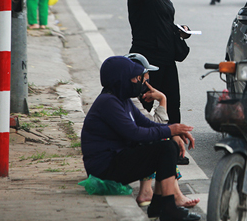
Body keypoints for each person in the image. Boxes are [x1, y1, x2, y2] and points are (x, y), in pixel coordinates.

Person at [80, 56, 199, 221]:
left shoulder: (123, 100)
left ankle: (159, 206)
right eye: (136, 78)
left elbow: (147, 124)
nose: (139, 82)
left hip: (117, 160)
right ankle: (168, 208)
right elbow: (134, 133)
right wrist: (170, 130)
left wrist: (173, 131)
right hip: (105, 169)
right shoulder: (108, 102)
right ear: (121, 79)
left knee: (167, 145)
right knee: (164, 148)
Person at [125, 53, 200, 211]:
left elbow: (150, 125)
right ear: (136, 77)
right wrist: (163, 100)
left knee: (162, 139)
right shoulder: (129, 100)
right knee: (161, 142)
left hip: (118, 152)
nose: (147, 81)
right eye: (145, 77)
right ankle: (170, 195)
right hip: (115, 159)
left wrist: (170, 132)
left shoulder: (126, 97)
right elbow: (155, 126)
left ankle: (152, 192)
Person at [128, 0, 188, 127]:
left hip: (167, 58)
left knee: (172, 105)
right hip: (148, 60)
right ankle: (144, 147)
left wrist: (180, 30)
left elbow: (162, 20)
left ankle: (175, 147)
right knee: (144, 105)